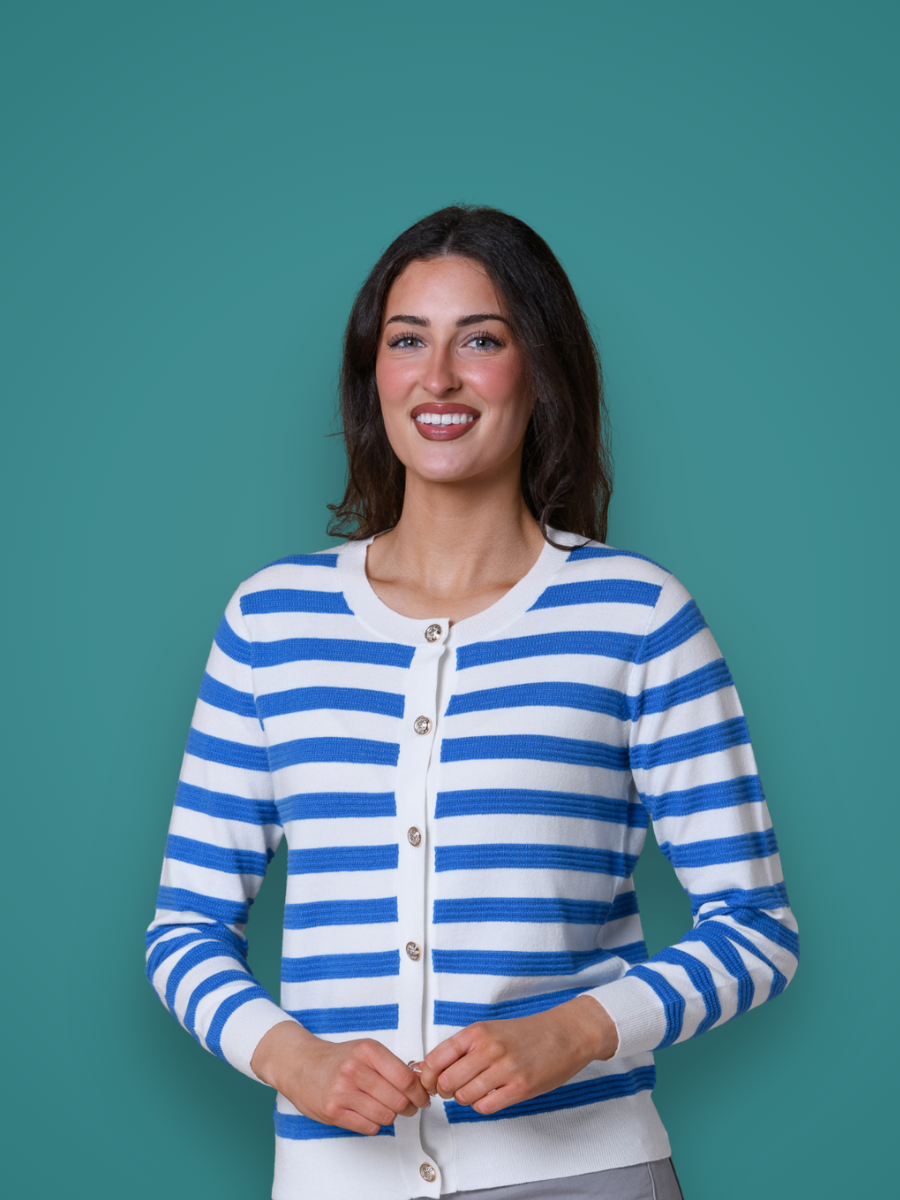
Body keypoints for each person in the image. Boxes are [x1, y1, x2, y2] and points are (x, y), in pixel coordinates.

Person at [145, 205, 798, 1200]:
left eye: (481, 340)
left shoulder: (637, 614)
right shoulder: (270, 621)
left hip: (589, 1174)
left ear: (540, 369)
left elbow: (756, 926)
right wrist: (290, 1057)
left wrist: (578, 1029)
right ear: (373, 373)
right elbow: (183, 929)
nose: (439, 377)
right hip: (336, 1182)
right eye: (408, 341)